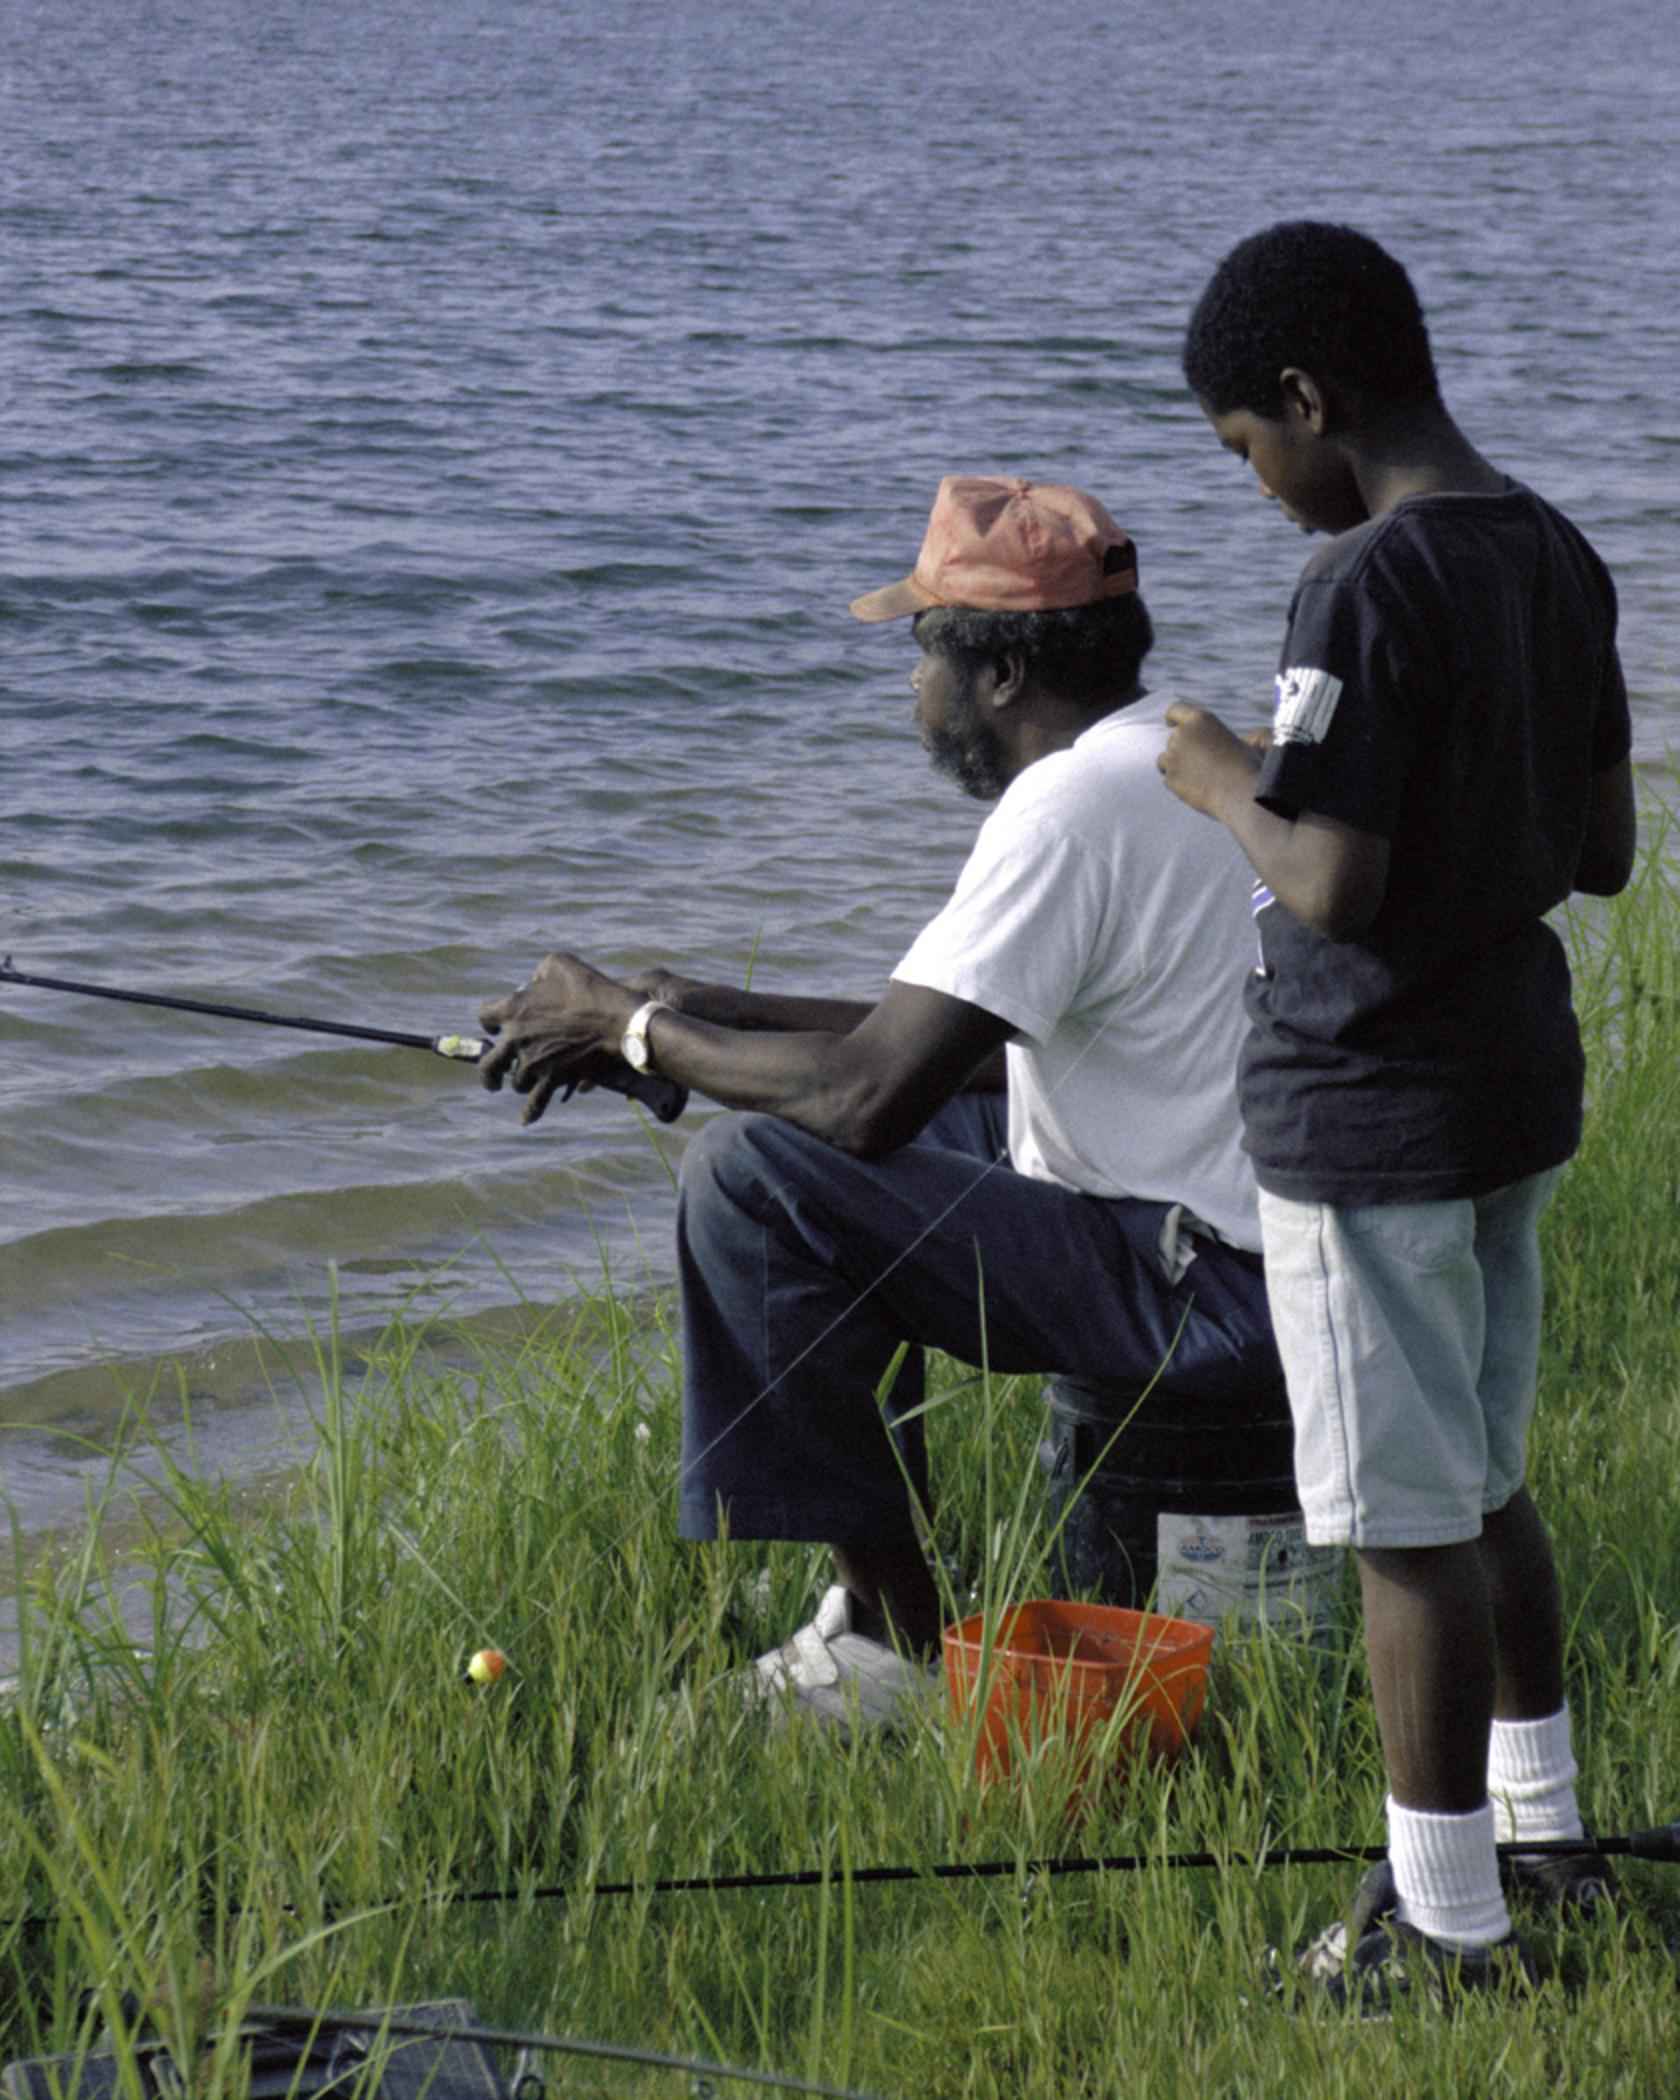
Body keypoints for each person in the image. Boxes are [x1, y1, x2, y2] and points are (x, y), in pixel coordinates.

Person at [478, 473, 1284, 1728]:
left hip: (1207, 1288)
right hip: (1242, 1247)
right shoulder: (1170, 759)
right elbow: (951, 1046)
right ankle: (881, 1606)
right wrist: (692, 1015)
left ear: (1001, 674)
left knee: (751, 1178)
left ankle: (893, 1640)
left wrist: (631, 1028)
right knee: (821, 1136)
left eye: (921, 653)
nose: (913, 691)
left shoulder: (1066, 808)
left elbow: (868, 1099)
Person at [1159, 221, 1637, 2008]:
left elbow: (1334, 883)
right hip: (1508, 1082)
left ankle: (1445, 1930)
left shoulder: (1362, 582)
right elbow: (1602, 854)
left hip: (1369, 1116)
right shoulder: (1557, 553)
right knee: (1485, 1479)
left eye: (1248, 451)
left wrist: (1217, 776)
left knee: (1403, 1526)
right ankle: (1545, 1833)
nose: (1263, 487)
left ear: (1308, 399)